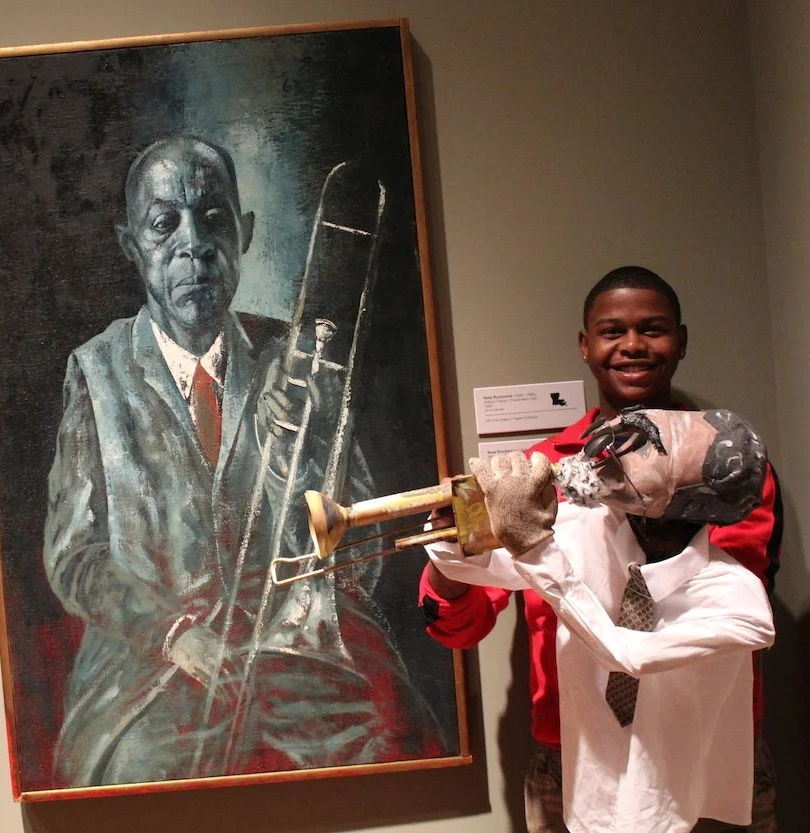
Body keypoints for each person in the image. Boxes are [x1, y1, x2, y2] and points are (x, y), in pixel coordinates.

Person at [44, 135, 440, 787]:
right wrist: (174, 632)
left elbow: (358, 555)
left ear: (245, 232)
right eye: (164, 224)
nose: (194, 244)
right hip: (151, 671)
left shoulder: (295, 353)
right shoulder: (96, 371)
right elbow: (74, 555)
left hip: (296, 658)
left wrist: (307, 447)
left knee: (398, 747)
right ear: (131, 245)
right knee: (136, 778)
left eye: (214, 219)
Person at [419, 266, 782, 832]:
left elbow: (694, 593)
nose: (632, 345)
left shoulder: (727, 468)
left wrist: (604, 509)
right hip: (573, 743)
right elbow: (461, 627)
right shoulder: (543, 469)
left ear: (681, 341)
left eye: (652, 329)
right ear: (585, 346)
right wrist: (452, 549)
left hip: (702, 740)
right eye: (613, 331)